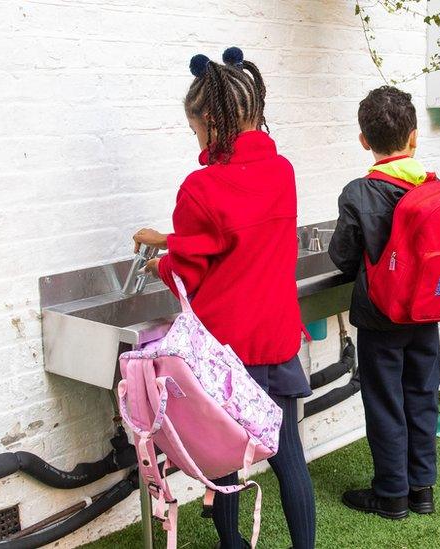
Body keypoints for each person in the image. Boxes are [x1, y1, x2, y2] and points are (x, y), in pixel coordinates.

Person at [132, 48, 316, 548]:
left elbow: (192, 270)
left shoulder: (199, 187)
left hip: (226, 352)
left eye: (195, 132)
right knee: (288, 456)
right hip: (277, 340)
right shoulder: (282, 172)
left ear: (210, 122)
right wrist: (170, 238)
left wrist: (162, 263)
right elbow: (240, 232)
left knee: (228, 458)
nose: (196, 142)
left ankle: (232, 543)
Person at [328, 86, 440, 520]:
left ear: (363, 140)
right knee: (421, 396)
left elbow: (343, 255)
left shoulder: (359, 193)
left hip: (381, 317)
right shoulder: (432, 187)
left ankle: (391, 494)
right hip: (426, 313)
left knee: (384, 401)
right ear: (414, 137)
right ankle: (421, 489)